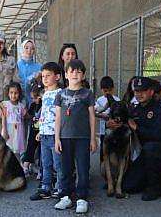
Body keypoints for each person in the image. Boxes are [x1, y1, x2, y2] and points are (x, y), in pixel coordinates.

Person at [126, 77, 161, 201]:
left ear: (151, 91)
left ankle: (155, 188)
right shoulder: (134, 110)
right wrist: (111, 123)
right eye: (137, 91)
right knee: (128, 186)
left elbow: (160, 136)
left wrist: (137, 128)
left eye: (143, 91)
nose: (139, 94)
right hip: (146, 154)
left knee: (151, 147)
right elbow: (122, 119)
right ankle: (157, 179)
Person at [54, 59, 96, 213]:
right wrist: (57, 138)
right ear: (65, 74)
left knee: (83, 167)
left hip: (83, 138)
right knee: (65, 168)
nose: (75, 74)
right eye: (71, 71)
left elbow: (92, 116)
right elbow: (58, 118)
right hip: (65, 137)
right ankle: (65, 195)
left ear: (83, 75)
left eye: (78, 72)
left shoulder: (88, 94)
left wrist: (93, 138)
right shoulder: (60, 94)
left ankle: (81, 197)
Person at [29, 62, 63, 200]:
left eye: (48, 75)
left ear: (57, 77)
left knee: (58, 164)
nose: (45, 79)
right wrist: (39, 130)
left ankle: (61, 188)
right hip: (44, 135)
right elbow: (43, 114)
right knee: (46, 163)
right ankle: (45, 187)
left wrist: (59, 135)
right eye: (43, 76)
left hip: (55, 135)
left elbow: (60, 116)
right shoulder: (46, 94)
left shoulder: (60, 93)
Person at [95, 76, 120, 164]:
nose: (107, 93)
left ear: (113, 89)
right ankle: (103, 165)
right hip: (103, 130)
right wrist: (102, 115)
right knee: (103, 148)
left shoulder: (117, 99)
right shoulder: (99, 100)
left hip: (115, 129)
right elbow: (95, 112)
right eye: (105, 91)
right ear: (101, 90)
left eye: (109, 90)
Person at [22, 82, 44, 176]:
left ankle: (40, 169)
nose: (34, 100)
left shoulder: (43, 104)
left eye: (35, 98)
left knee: (41, 151)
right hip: (33, 130)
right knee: (30, 147)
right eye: (32, 98)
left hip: (41, 130)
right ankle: (26, 166)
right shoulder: (32, 105)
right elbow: (29, 115)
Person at [1, 82, 27, 161]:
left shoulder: (21, 105)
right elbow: (3, 118)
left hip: (18, 131)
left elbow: (23, 117)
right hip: (8, 129)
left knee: (17, 151)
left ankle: (17, 168)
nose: (13, 95)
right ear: (8, 94)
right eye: (11, 93)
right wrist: (4, 130)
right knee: (7, 150)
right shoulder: (5, 104)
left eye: (16, 93)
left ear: (19, 93)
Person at [17, 39, 41, 107]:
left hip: (33, 101)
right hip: (18, 100)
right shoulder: (16, 65)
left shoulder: (38, 66)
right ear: (22, 49)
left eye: (32, 48)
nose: (29, 50)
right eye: (26, 48)